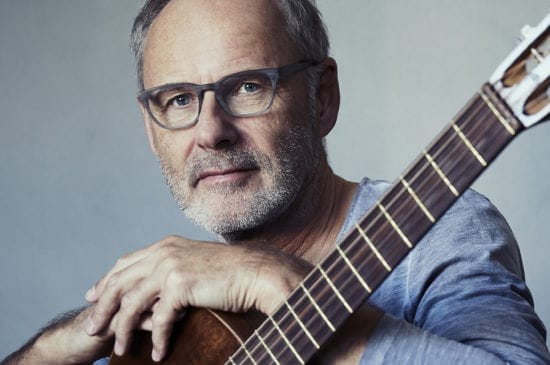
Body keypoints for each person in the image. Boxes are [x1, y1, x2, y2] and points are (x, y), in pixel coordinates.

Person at [2, 0, 549, 364]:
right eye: (179, 100)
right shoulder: (183, 311)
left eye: (246, 88)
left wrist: (271, 279)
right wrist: (65, 343)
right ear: (150, 128)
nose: (211, 132)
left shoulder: (441, 231)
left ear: (323, 97)